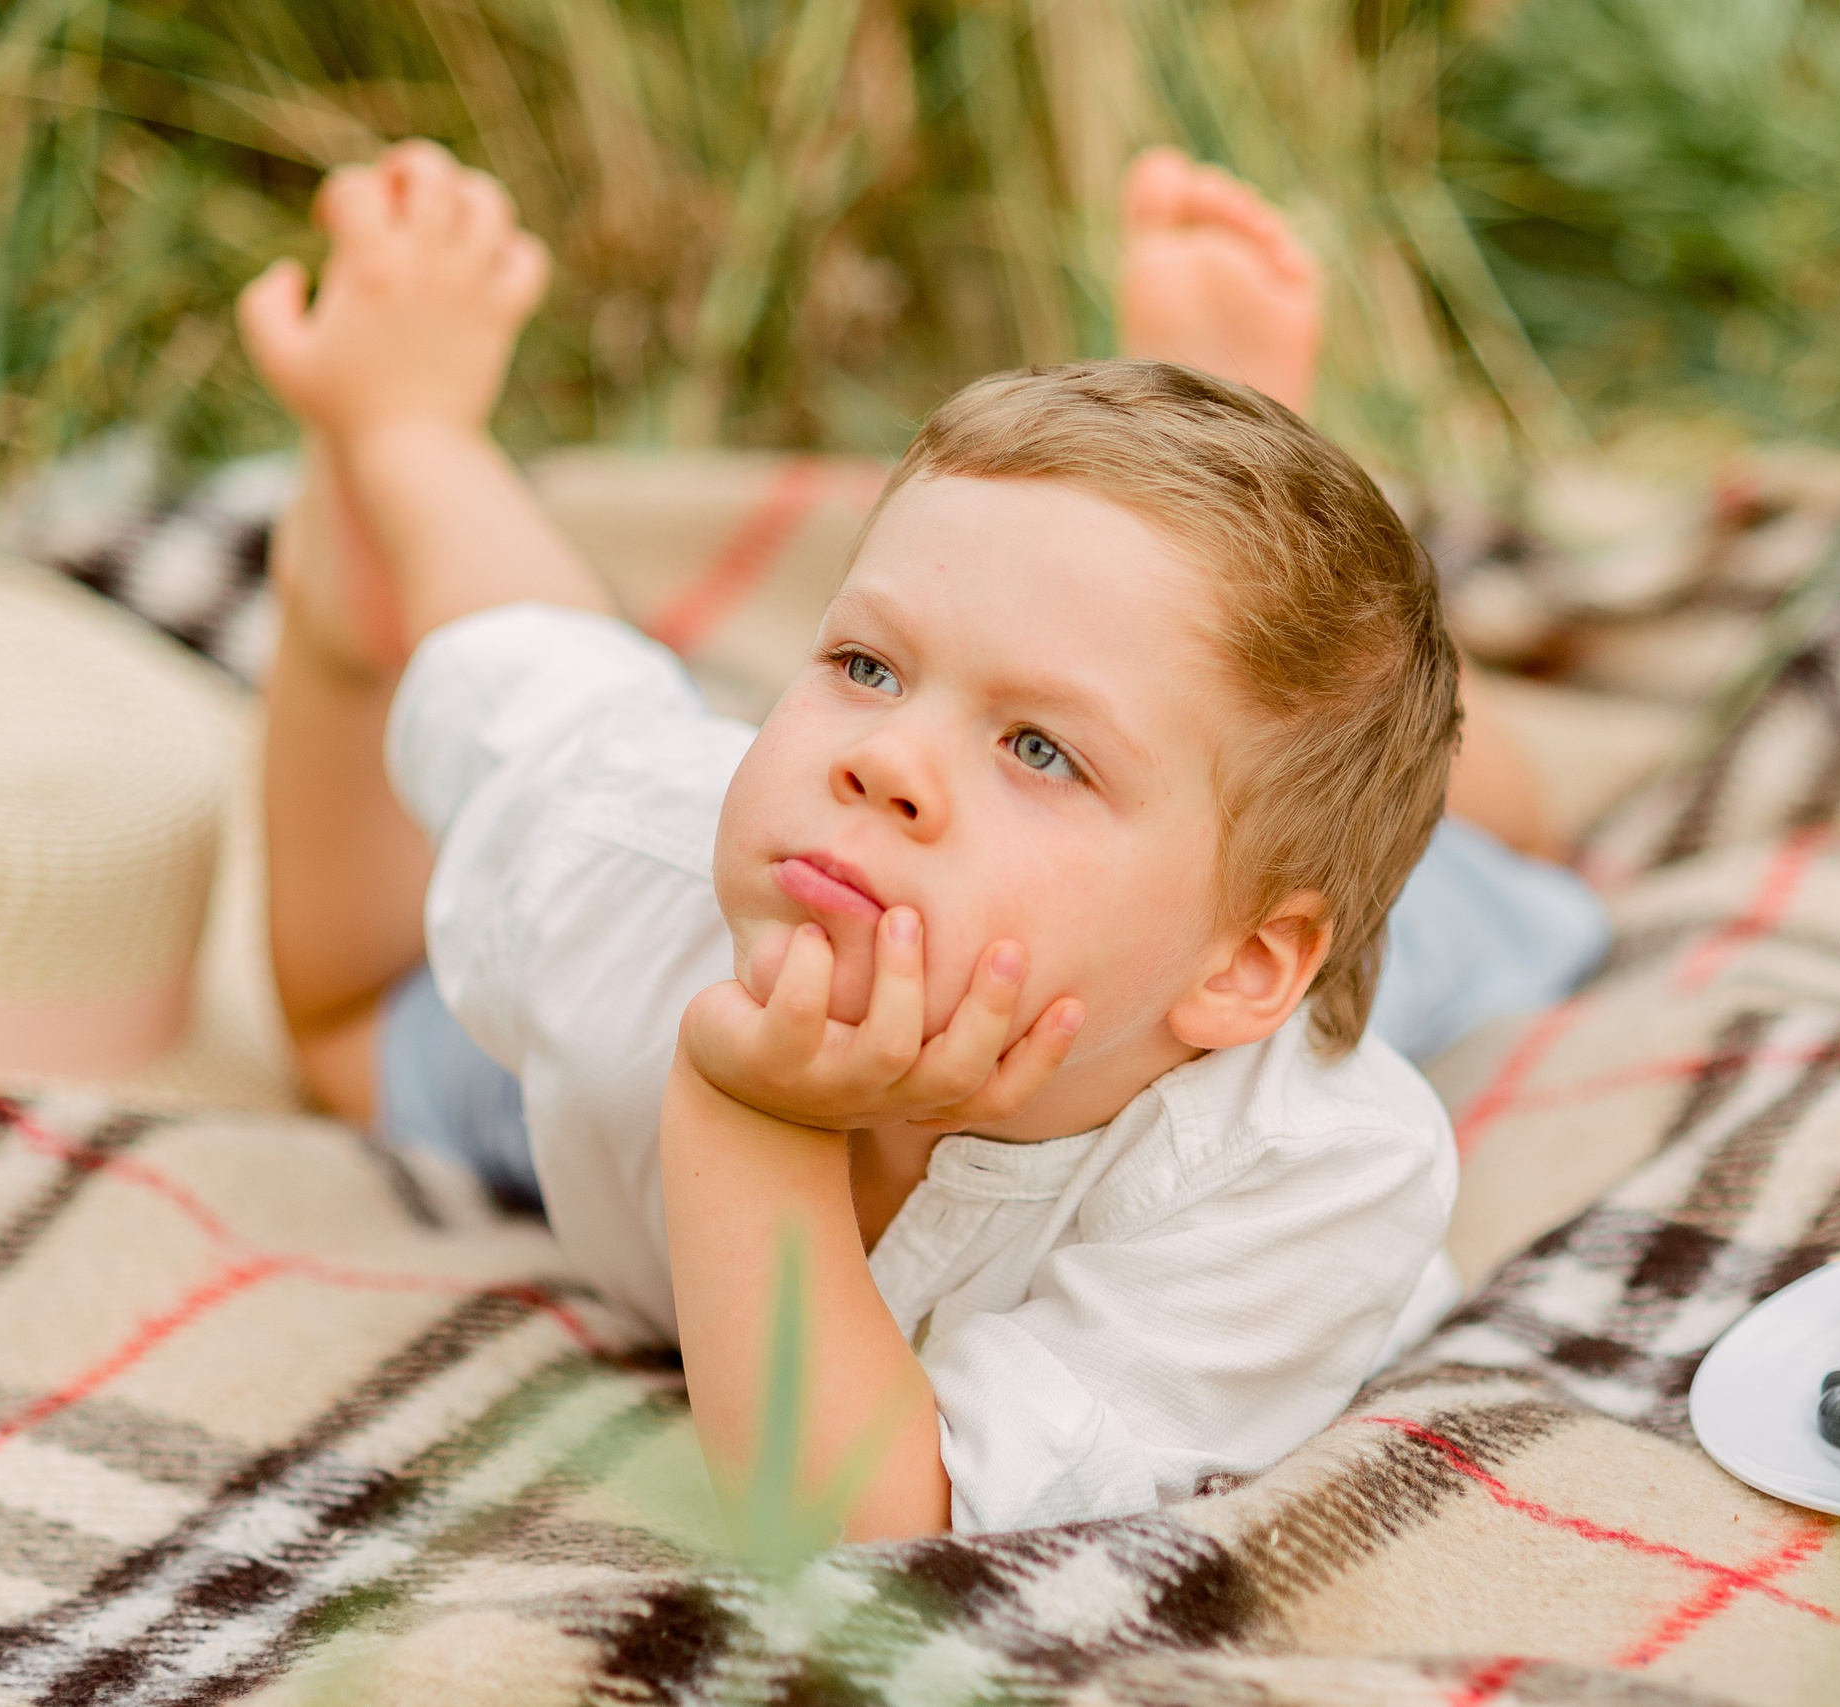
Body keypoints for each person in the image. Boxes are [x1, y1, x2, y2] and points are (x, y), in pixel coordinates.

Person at [239, 141, 1606, 1540]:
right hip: (1078, 924)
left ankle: (1260, 529)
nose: (884, 759)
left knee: (1515, 864)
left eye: (1040, 749)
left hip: (1213, 1006)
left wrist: (752, 1121)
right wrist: (400, 431)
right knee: (349, 1047)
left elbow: (872, 1533)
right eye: (866, 665)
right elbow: (531, 654)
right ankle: (1213, 527)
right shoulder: (624, 865)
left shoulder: (1301, 1174)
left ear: (1247, 964)